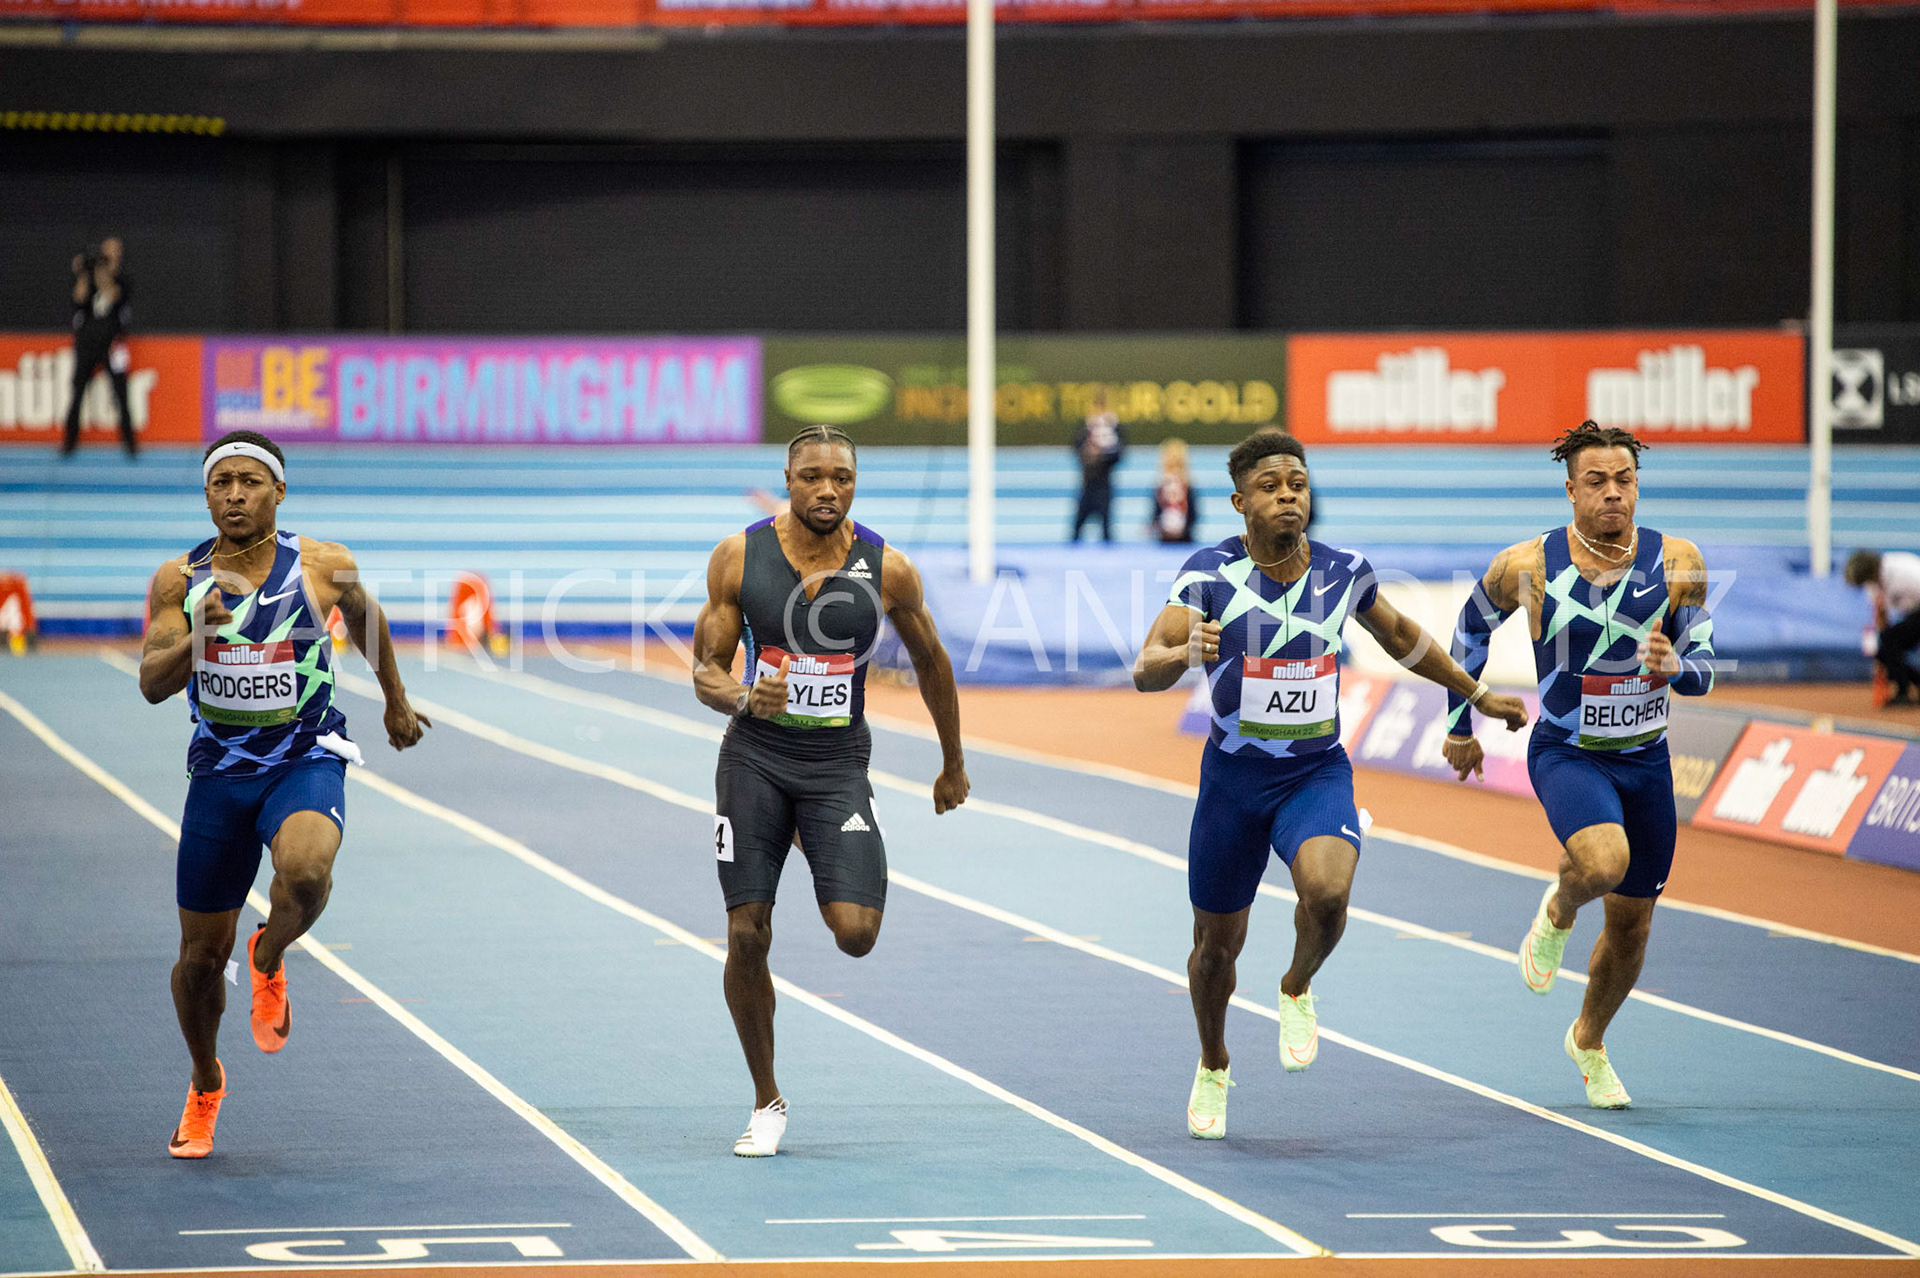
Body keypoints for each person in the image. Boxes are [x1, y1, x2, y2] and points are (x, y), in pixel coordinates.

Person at [1134, 428, 1527, 1140]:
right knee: (1215, 949)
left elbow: (1405, 637)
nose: (1288, 496)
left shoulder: (1345, 571)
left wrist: (1475, 694)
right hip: (1232, 782)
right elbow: (1146, 667)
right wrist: (1185, 650)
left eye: (1298, 484)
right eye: (1271, 487)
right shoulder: (1207, 575)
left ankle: (1295, 986)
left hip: (1315, 772)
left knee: (1328, 893)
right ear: (1239, 502)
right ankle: (1215, 1062)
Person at [138, 430, 430, 1158]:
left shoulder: (324, 565)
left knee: (304, 871)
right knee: (199, 962)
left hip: (304, 756)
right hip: (220, 773)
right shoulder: (179, 579)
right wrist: (197, 642)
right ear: (207, 494)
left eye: (249, 482)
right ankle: (206, 1081)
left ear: (279, 491)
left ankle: (270, 954)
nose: (234, 495)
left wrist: (394, 698)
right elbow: (151, 683)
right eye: (221, 483)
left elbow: (366, 617)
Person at [692, 424, 970, 1158]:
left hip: (837, 762)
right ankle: (766, 1098)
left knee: (856, 934)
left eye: (841, 477)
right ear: (788, 481)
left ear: (854, 482)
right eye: (812, 476)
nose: (827, 489)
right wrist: (748, 696)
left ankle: (831, 862)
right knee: (747, 933)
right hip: (754, 758)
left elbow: (934, 662)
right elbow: (704, 672)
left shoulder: (889, 569)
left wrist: (953, 762)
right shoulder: (738, 556)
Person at [1442, 422, 1717, 1110]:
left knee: (1633, 926)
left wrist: (1677, 666)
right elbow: (1470, 630)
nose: (1613, 493)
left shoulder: (1679, 561)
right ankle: (1559, 910)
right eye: (1596, 482)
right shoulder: (1527, 566)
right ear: (1571, 490)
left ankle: (1589, 1042)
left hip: (1646, 762)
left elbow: (1705, 673)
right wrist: (1462, 719)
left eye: (1624, 480)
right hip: (1566, 751)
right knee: (1602, 863)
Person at [63, 236, 136, 458]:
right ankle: (69, 443)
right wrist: (86, 271)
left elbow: (113, 296)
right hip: (86, 343)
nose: (111, 255)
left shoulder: (123, 279)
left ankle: (130, 444)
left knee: (121, 394)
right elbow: (79, 298)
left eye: (115, 251)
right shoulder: (89, 276)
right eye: (107, 251)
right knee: (77, 392)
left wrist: (103, 271)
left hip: (111, 344)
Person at [1844, 548, 1920, 705]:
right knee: (1880, 645)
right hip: (1913, 613)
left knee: (1888, 640)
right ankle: (1907, 686)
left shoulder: (1903, 572)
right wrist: (1882, 646)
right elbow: (1881, 614)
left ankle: (1903, 690)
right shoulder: (1873, 584)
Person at [1071, 387, 1126, 542]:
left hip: (1104, 484)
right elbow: (1076, 448)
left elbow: (1120, 454)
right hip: (1087, 483)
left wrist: (1101, 455)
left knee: (1106, 529)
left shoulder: (1114, 428)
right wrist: (1088, 451)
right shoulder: (1086, 428)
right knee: (1077, 527)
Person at [1151, 437, 1199, 544]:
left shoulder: (1187, 487)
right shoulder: (1161, 486)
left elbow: (1193, 514)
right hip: (1169, 537)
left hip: (1183, 537)